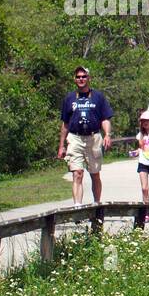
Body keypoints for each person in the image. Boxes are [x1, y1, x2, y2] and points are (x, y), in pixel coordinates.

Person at [58, 66, 113, 204]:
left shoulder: (98, 97)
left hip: (93, 138)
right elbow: (65, 124)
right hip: (75, 137)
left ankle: (97, 205)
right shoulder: (69, 98)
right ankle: (78, 207)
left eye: (83, 76)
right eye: (78, 77)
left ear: (89, 78)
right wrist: (61, 146)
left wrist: (107, 134)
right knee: (77, 173)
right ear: (74, 79)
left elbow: (105, 118)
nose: (81, 79)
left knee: (95, 174)